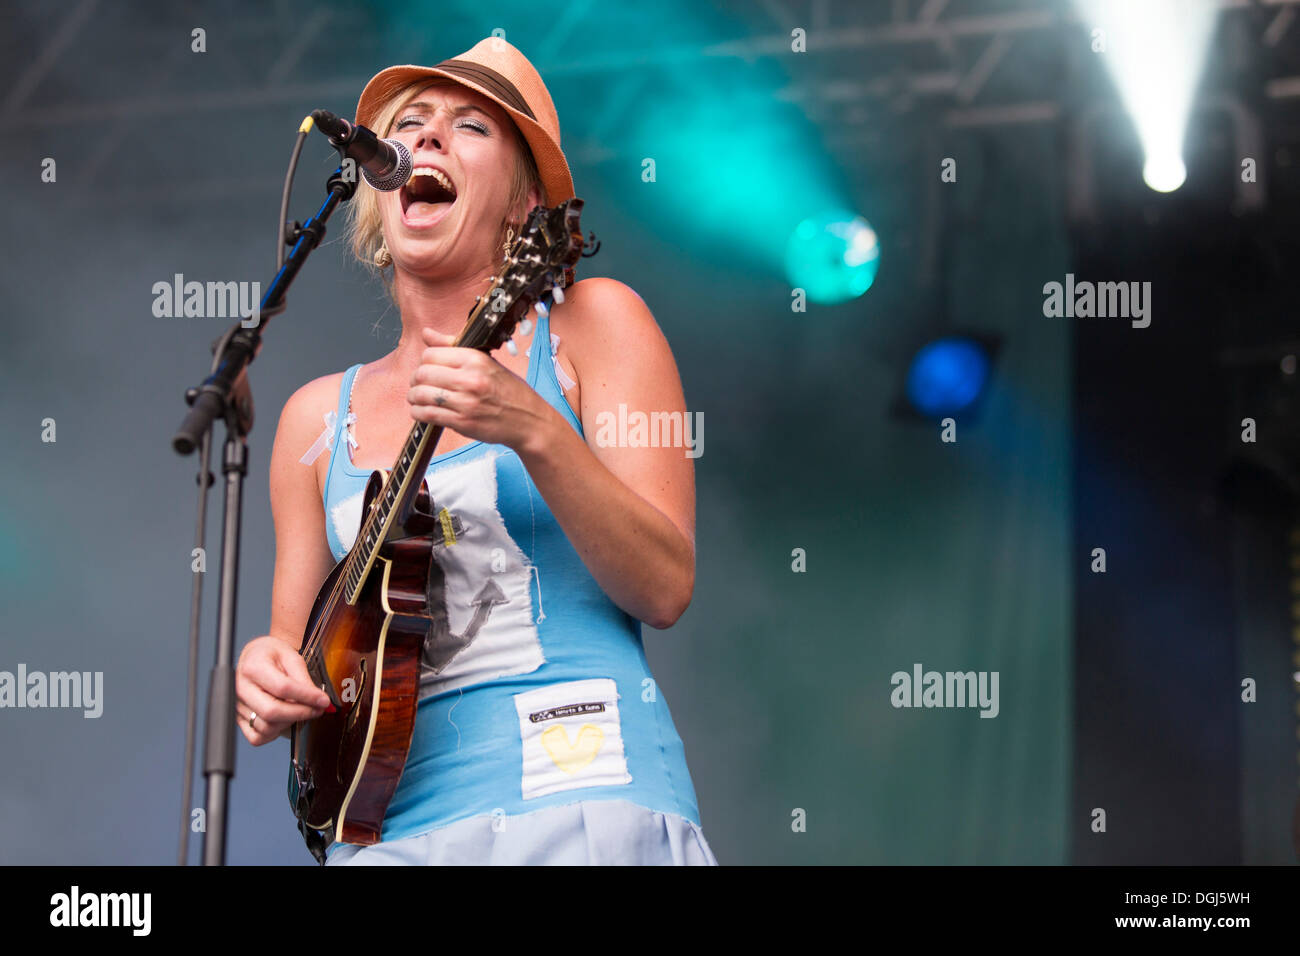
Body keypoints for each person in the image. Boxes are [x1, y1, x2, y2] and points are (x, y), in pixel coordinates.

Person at [233, 37, 716, 865]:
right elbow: (304, 665)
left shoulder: (594, 324)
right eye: (410, 124)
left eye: (469, 128)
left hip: (581, 796)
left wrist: (534, 428)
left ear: (527, 201)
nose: (424, 140)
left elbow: (665, 585)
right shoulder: (316, 419)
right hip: (385, 837)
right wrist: (264, 676)